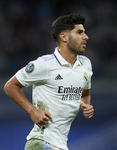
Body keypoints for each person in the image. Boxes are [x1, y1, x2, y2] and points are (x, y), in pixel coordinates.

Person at [4, 13, 94, 150]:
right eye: (79, 32)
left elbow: (84, 94)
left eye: (85, 32)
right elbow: (10, 86)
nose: (86, 37)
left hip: (60, 144)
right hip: (41, 142)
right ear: (64, 37)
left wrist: (84, 105)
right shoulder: (44, 64)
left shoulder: (86, 65)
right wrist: (32, 110)